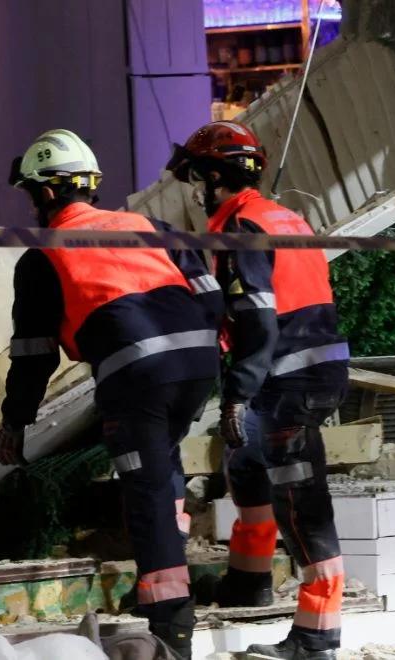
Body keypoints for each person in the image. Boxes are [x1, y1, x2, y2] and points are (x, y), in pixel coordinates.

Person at [0, 129, 223, 659]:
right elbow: (208, 296)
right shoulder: (150, 227)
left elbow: (33, 354)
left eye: (31, 195)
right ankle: (173, 549)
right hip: (197, 361)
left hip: (136, 374)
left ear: (46, 194)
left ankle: (169, 628)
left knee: (143, 495)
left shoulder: (43, 256)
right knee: (161, 465)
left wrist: (15, 420)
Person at [167, 121, 350, 660]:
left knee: (300, 504)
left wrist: (237, 394)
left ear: (216, 175)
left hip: (288, 379)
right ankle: (248, 582)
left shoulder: (242, 228)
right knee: (244, 463)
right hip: (303, 371)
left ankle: (318, 639)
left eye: (198, 177)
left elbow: (258, 323)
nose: (195, 190)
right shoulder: (281, 217)